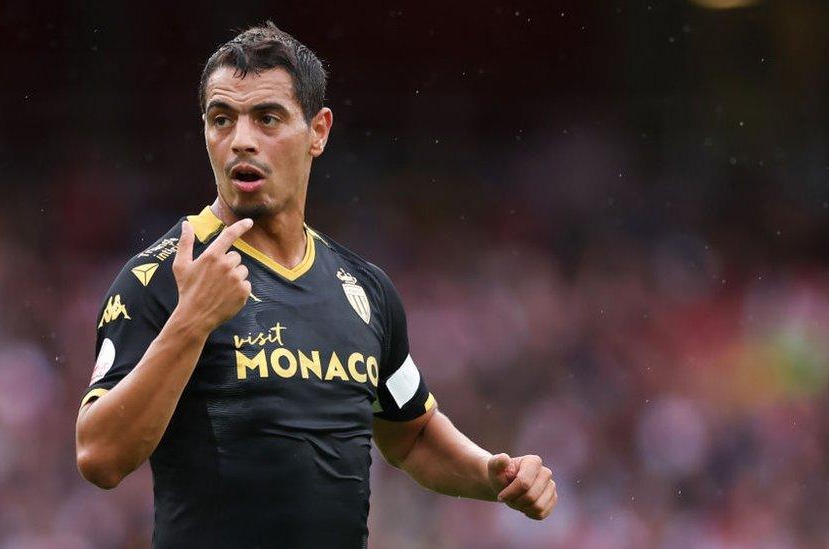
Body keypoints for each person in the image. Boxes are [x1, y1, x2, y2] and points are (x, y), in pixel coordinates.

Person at [74, 22, 557, 548]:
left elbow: (413, 435)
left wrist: (491, 474)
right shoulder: (161, 276)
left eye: (267, 118)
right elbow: (99, 457)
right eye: (222, 119)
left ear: (319, 131)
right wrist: (191, 321)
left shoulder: (365, 291)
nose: (241, 140)